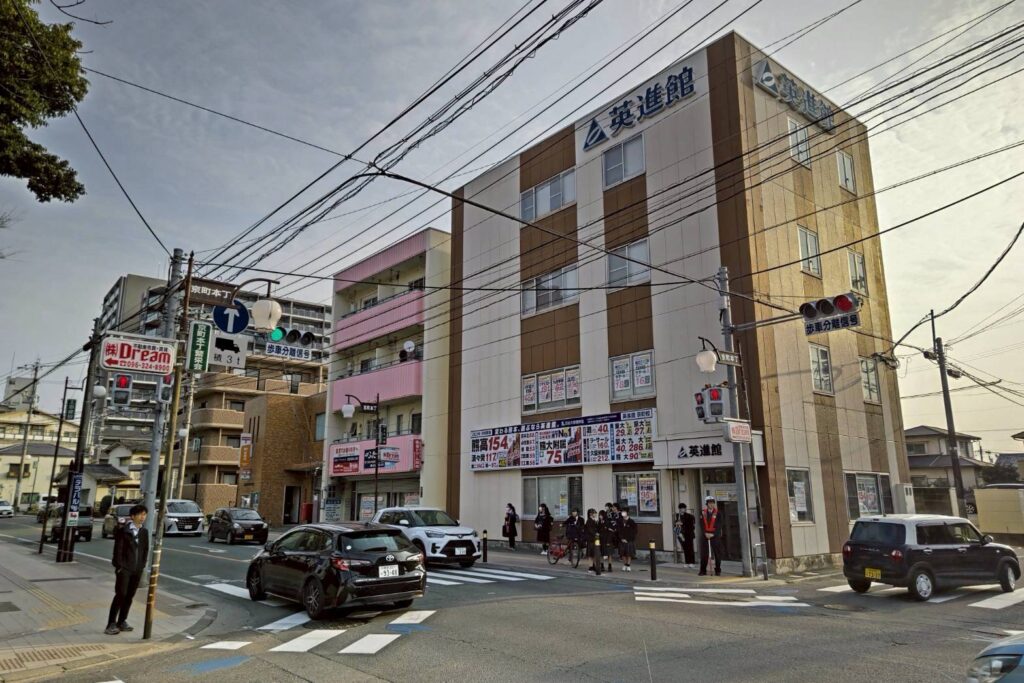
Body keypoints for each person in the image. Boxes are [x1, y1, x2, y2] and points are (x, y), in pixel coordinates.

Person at [106, 504, 149, 635]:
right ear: (132, 516)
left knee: (130, 596)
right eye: (140, 514)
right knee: (121, 594)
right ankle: (111, 624)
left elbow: (145, 550)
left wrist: (142, 565)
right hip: (124, 569)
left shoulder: (144, 532)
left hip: (137, 570)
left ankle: (122, 621)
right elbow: (118, 550)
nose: (143, 517)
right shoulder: (123, 531)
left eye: (144, 515)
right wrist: (119, 566)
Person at [699, 496, 723, 576]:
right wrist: (705, 533)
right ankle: (702, 570)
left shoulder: (718, 513)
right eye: (709, 503)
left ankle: (718, 570)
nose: (711, 504)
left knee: (717, 554)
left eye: (712, 503)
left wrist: (713, 534)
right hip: (705, 535)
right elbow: (701, 524)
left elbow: (719, 525)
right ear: (707, 504)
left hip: (715, 535)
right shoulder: (703, 513)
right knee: (704, 554)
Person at [674, 503, 696, 568]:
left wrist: (682, 524)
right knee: (685, 549)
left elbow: (692, 526)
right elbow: (675, 526)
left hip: (689, 535)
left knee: (690, 548)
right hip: (681, 535)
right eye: (681, 508)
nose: (682, 509)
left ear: (685, 509)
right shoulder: (677, 516)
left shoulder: (689, 516)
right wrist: (678, 533)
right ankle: (687, 562)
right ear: (679, 509)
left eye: (683, 508)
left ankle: (692, 562)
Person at [583, 508, 600, 573]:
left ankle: (594, 566)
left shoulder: (594, 520)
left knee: (594, 553)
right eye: (594, 513)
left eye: (595, 513)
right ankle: (590, 567)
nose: (595, 514)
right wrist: (596, 534)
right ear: (590, 514)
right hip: (590, 539)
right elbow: (590, 530)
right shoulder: (589, 521)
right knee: (590, 554)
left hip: (595, 539)